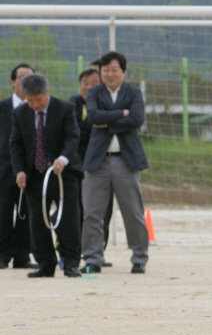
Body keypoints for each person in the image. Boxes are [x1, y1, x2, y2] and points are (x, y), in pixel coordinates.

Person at [81, 51, 149, 275]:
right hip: (97, 162)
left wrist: (107, 119)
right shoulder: (94, 92)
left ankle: (139, 258)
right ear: (100, 72)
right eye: (105, 70)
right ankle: (92, 258)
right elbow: (92, 117)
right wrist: (121, 114)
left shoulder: (133, 92)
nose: (110, 74)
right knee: (92, 212)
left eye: (114, 70)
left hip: (125, 161)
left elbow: (137, 119)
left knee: (133, 212)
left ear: (123, 71)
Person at [8, 74, 83, 278]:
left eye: (39, 99)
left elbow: (72, 136)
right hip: (35, 174)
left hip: (63, 172)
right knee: (37, 221)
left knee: (68, 219)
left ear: (48, 92)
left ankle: (71, 263)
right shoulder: (20, 113)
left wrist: (63, 159)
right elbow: (15, 144)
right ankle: (45, 264)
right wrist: (20, 170)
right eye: (30, 100)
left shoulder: (65, 108)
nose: (35, 104)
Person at [70, 67, 113, 263]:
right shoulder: (72, 103)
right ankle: (78, 249)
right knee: (81, 208)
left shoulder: (108, 102)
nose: (88, 87)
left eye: (93, 84)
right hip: (79, 165)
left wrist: (101, 121)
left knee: (106, 210)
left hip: (104, 163)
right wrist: (96, 121)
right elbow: (76, 130)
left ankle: (99, 252)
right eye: (84, 84)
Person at [0, 63, 37, 269]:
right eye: (21, 77)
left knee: (27, 214)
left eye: (30, 78)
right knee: (3, 213)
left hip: (31, 170)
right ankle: (2, 254)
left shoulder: (39, 107)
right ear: (13, 81)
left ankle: (22, 256)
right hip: (4, 170)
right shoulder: (2, 107)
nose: (25, 82)